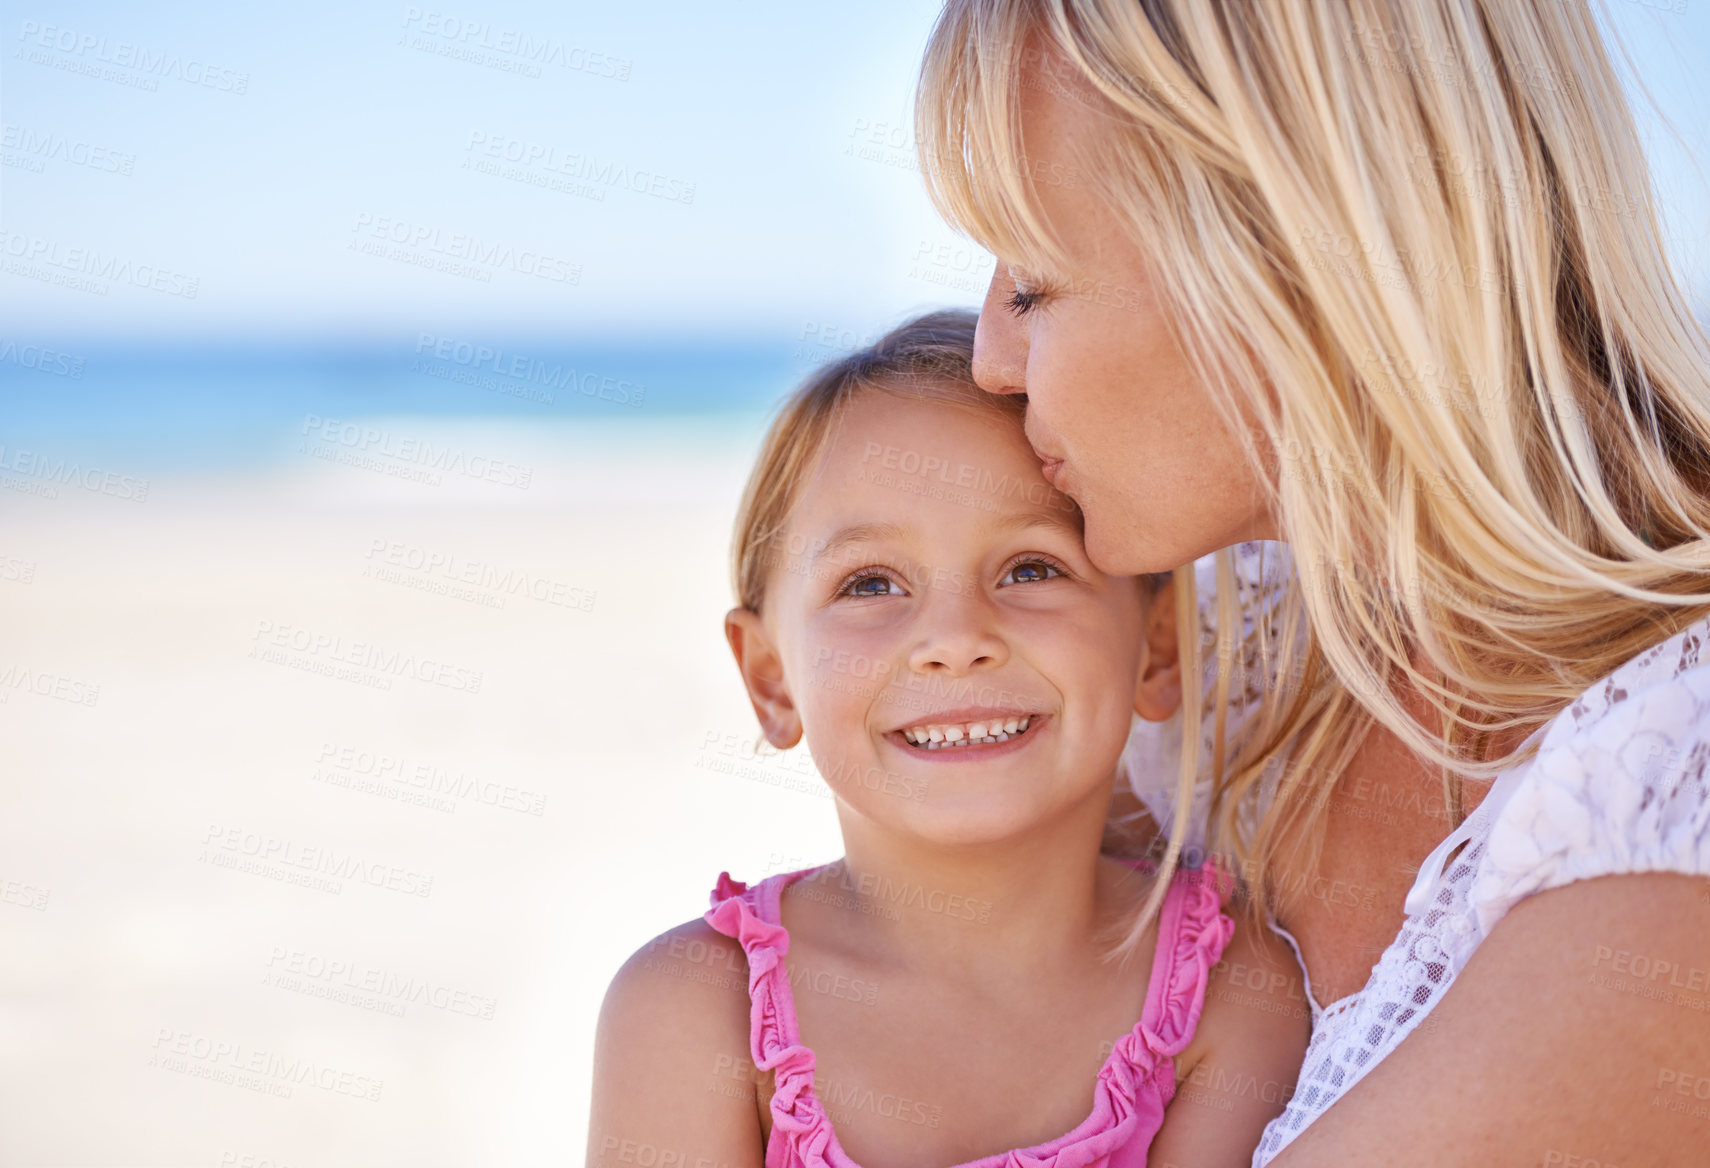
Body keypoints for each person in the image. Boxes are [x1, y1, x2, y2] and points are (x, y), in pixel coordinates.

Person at [914, 1, 1710, 1164]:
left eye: (1035, 279)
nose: (991, 359)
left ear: (1290, 250)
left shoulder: (1671, 799)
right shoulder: (1227, 661)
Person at [586, 311, 1307, 1168]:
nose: (955, 636)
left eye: (1031, 569)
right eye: (871, 583)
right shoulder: (693, 1014)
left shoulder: (1230, 992)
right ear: (772, 680)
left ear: (1155, 647)